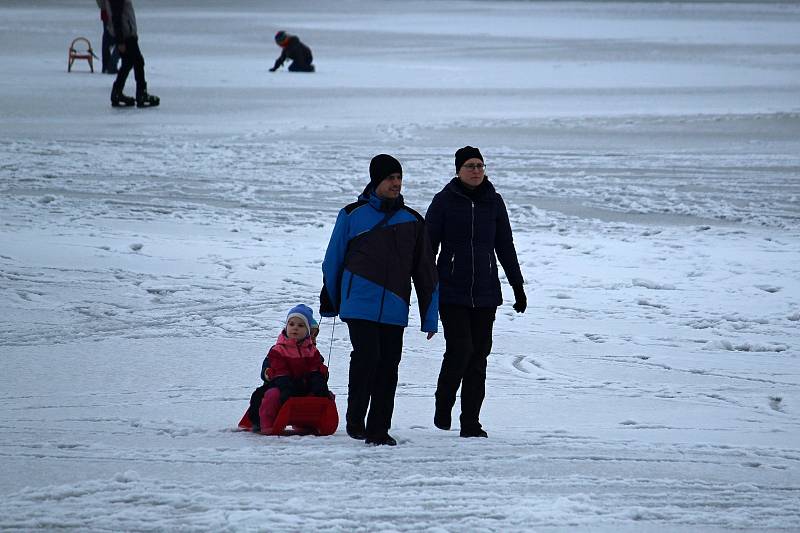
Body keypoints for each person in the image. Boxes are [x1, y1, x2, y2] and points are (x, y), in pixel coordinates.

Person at [320, 154, 439, 446]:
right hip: (358, 302)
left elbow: (426, 272)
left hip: (395, 307)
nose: (396, 184)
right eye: (390, 178)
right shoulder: (351, 214)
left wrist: (430, 317)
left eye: (399, 178)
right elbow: (332, 260)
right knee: (367, 356)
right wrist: (332, 298)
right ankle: (356, 418)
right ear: (376, 181)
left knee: (389, 365)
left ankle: (378, 429)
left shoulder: (413, 220)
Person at [425, 146, 526, 438]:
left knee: (479, 357)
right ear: (458, 169)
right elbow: (429, 248)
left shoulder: (493, 202)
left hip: (485, 292)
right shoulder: (444, 201)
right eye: (470, 165)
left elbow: (505, 246)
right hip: (452, 291)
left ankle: (470, 422)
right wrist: (426, 291)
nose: (476, 170)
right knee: (460, 349)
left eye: (480, 165)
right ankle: (443, 401)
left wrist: (517, 286)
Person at [247, 304, 328, 434]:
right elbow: (279, 370)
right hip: (281, 383)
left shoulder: (312, 351)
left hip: (302, 385)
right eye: (291, 324)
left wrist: (319, 379)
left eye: (300, 326)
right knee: (271, 395)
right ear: (286, 326)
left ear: (307, 331)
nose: (295, 328)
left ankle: (309, 422)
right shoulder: (278, 349)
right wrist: (279, 381)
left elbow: (315, 368)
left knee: (321, 392)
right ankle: (265, 422)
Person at [104, 0, 159, 107]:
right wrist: (120, 40)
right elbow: (116, 16)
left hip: (126, 33)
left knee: (128, 63)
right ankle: (141, 93)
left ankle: (117, 92)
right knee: (138, 61)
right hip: (126, 35)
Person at [96, 0, 119, 74]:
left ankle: (107, 65)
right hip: (111, 13)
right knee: (121, 40)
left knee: (107, 40)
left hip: (108, 13)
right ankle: (110, 65)